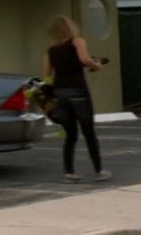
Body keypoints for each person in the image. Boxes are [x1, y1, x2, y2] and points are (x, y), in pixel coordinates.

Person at [43, 15, 111, 183]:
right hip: (78, 91)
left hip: (60, 93)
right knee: (88, 132)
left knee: (70, 134)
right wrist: (96, 65)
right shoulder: (77, 41)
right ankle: (99, 170)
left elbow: (46, 76)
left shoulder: (51, 50)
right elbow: (84, 59)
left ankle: (69, 172)